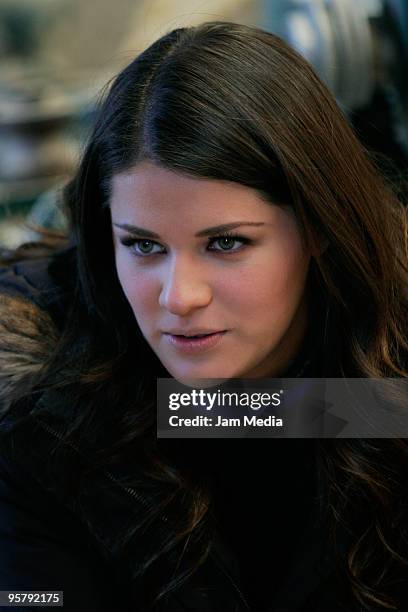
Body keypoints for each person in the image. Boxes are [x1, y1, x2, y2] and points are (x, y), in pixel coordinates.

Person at [0, 20, 407, 612]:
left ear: (319, 227)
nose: (179, 297)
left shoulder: (385, 349)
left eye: (226, 243)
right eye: (143, 246)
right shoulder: (36, 396)